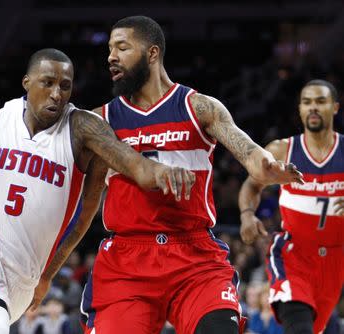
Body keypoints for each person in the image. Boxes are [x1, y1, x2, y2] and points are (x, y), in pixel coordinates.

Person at [35, 16, 304, 334]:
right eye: (109, 49)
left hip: (193, 256)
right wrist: (48, 273)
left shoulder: (199, 107)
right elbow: (86, 208)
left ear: (152, 53)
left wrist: (268, 167)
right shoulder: (100, 121)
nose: (111, 56)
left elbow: (250, 153)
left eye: (122, 47)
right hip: (127, 261)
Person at [0, 48, 196, 334]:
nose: (57, 94)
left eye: (65, 85)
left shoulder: (82, 128)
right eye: (47, 82)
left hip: (25, 281)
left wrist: (163, 170)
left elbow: (113, 184)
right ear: (27, 83)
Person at [239, 79, 344, 334]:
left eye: (321, 101)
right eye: (307, 102)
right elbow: (251, 187)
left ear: (335, 107)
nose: (313, 108)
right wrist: (247, 215)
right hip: (292, 255)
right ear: (300, 109)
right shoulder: (282, 149)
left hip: (334, 259)